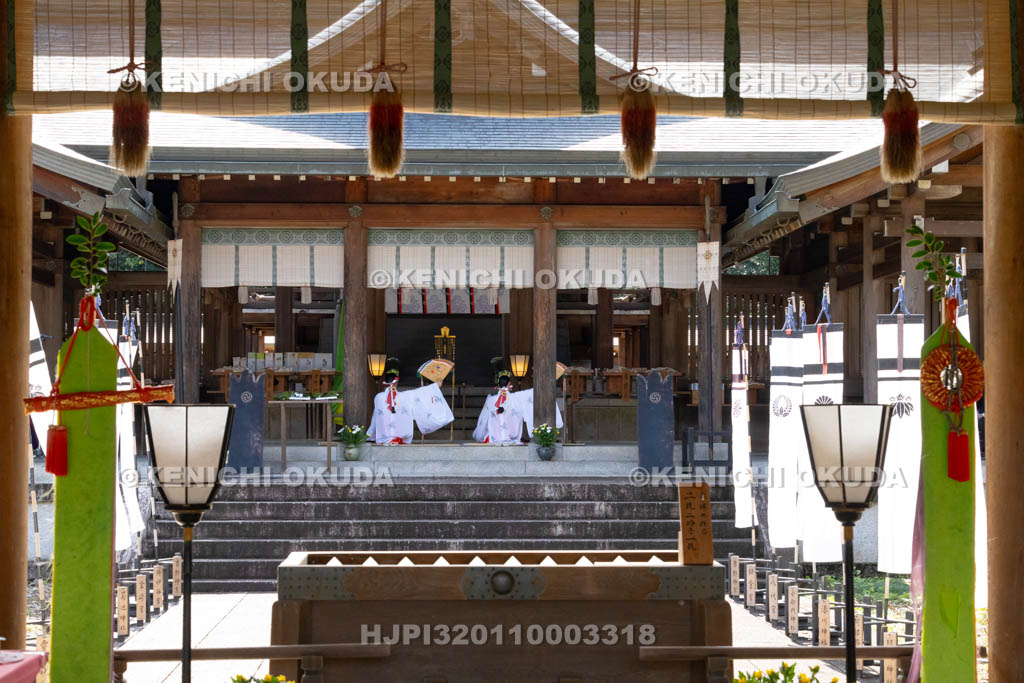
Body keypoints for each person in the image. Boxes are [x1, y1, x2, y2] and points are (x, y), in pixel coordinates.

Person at [367, 357, 455, 444]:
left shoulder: (378, 398)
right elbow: (421, 393)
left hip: (383, 441)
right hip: (401, 441)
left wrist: (369, 435)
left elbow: (375, 418)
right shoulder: (406, 397)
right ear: (397, 381)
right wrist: (436, 384)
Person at [473, 370, 526, 444]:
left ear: (498, 385)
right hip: (510, 434)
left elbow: (484, 417)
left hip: (494, 434)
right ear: (509, 384)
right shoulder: (515, 399)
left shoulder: (490, 400)